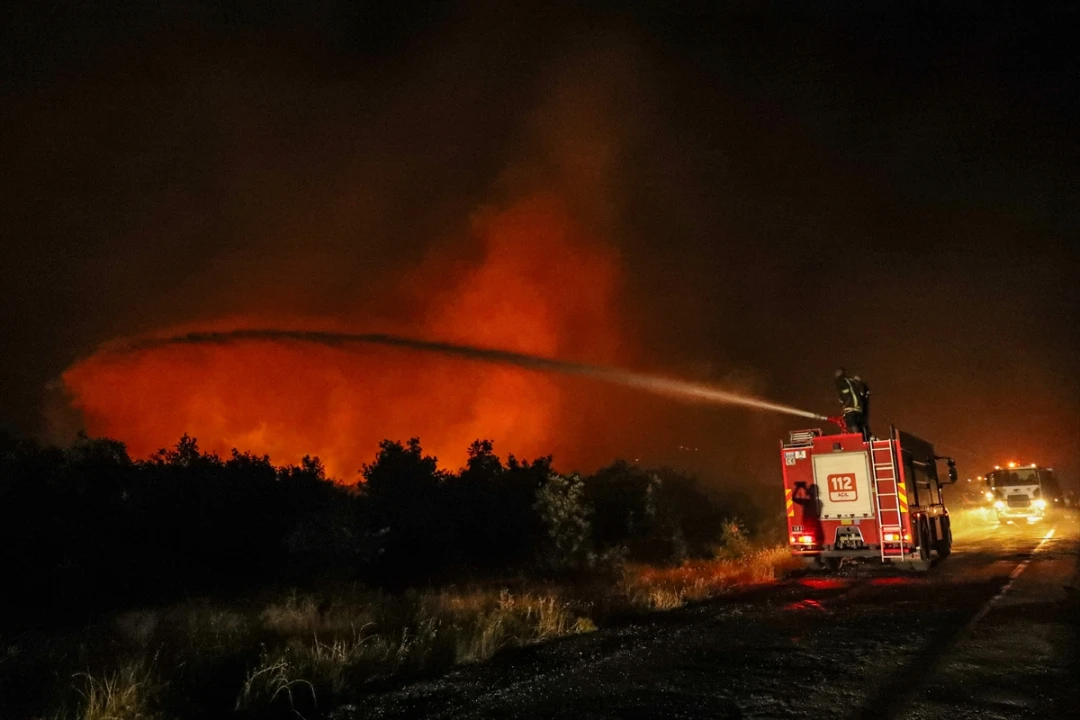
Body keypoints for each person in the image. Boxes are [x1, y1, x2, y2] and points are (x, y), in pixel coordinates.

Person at [834, 368, 868, 439]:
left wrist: (843, 404)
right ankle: (864, 438)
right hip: (859, 408)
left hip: (850, 407)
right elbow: (862, 392)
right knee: (859, 424)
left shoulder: (840, 381)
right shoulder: (852, 381)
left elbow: (842, 396)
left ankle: (857, 439)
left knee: (851, 423)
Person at [852, 374, 872, 439]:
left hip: (860, 410)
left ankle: (863, 437)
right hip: (861, 409)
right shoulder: (862, 387)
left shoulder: (860, 388)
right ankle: (864, 436)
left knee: (860, 424)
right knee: (862, 424)